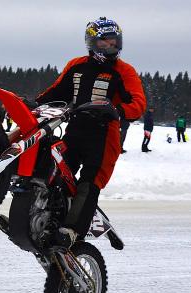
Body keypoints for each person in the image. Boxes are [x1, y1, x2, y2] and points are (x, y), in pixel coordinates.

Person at [34, 17, 146, 247]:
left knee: (90, 182)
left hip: (105, 136)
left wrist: (117, 110)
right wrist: (33, 105)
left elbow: (138, 103)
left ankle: (72, 230)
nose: (111, 46)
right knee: (52, 172)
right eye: (105, 42)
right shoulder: (76, 65)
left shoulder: (124, 71)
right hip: (74, 130)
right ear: (92, 42)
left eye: (115, 42)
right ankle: (32, 217)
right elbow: (57, 91)